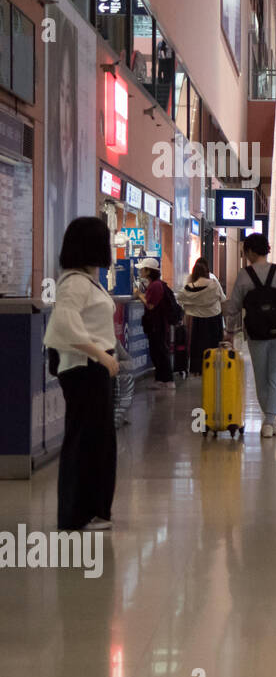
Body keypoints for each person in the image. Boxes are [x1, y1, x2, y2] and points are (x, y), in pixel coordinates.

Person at [43, 217, 119, 531]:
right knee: (84, 438)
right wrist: (101, 355)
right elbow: (65, 325)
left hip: (93, 368)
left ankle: (92, 509)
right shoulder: (74, 282)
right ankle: (75, 514)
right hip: (84, 368)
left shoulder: (88, 280)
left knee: (97, 438)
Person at [223, 233, 276, 438]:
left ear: (252, 251)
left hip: (255, 333)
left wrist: (228, 327)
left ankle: (269, 420)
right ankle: (269, 422)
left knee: (261, 377)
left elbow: (233, 307)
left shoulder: (245, 276)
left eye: (245, 251)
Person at [176, 257, 226, 375]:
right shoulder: (213, 284)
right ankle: (214, 367)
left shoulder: (189, 286)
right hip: (214, 318)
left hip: (196, 320)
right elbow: (222, 299)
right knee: (213, 343)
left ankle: (198, 369)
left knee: (197, 344)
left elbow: (180, 298)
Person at [133, 257, 176, 389]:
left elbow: (151, 305)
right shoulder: (155, 284)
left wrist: (139, 295)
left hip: (158, 325)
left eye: (142, 269)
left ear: (148, 271)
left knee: (160, 351)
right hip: (157, 324)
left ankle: (166, 380)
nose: (140, 272)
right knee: (157, 351)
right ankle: (161, 379)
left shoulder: (156, 285)